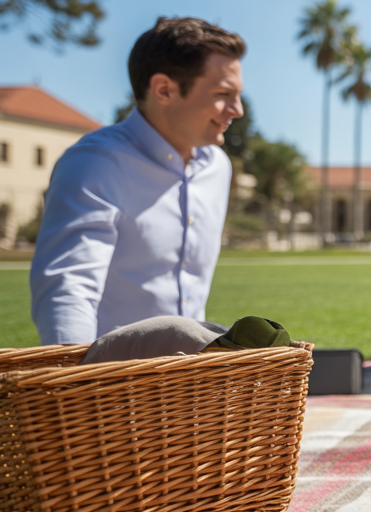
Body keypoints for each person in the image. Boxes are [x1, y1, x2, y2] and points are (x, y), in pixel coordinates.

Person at [30, 17, 245, 345]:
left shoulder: (218, 167)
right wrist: (76, 381)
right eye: (223, 93)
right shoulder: (95, 163)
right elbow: (69, 286)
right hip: (111, 383)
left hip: (189, 381)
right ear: (164, 90)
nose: (237, 110)